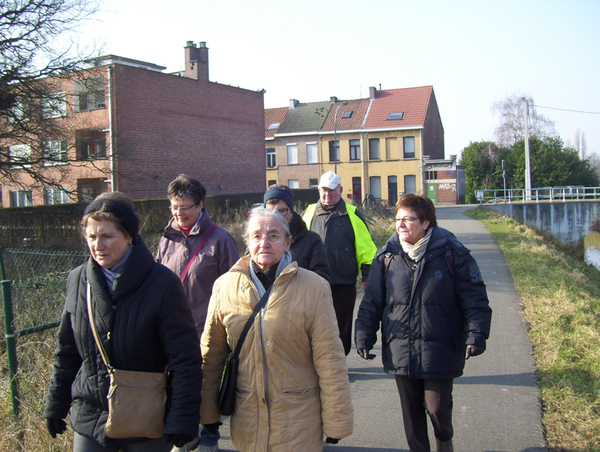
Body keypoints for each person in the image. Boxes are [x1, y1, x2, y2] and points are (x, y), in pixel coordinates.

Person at [44, 192, 203, 452]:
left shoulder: (161, 284)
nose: (98, 245)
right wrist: (55, 404)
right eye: (91, 237)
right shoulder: (77, 280)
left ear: (129, 236)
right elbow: (67, 350)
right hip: (91, 416)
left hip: (145, 416)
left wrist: (182, 419)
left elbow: (184, 359)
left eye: (107, 236)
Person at [200, 207, 354, 452]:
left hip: (298, 423)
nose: (264, 242)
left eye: (273, 235)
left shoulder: (314, 288)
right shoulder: (224, 286)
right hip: (247, 420)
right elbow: (211, 357)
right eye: (257, 236)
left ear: (287, 242)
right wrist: (207, 413)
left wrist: (337, 420)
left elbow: (330, 359)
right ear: (247, 242)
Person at [354, 193, 492, 452]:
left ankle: (444, 439)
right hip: (400, 348)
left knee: (437, 409)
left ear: (426, 222)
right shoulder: (386, 258)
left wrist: (477, 334)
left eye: (408, 219)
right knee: (411, 416)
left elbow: (475, 297)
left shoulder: (453, 253)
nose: (400, 225)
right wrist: (364, 336)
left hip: (441, 347)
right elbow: (371, 302)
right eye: (398, 219)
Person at [156, 174, 238, 452]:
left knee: (206, 385)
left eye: (186, 207)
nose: (180, 213)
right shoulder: (167, 239)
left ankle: (210, 433)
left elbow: (234, 288)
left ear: (200, 205)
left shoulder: (220, 239)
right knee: (174, 385)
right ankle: (184, 434)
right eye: (174, 207)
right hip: (172, 330)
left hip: (207, 330)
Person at [302, 171, 377, 355]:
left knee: (341, 325)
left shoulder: (352, 214)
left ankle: (340, 363)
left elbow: (366, 250)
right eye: (323, 191)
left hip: (344, 283)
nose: (327, 195)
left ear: (341, 190)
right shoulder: (309, 212)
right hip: (314, 282)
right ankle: (317, 362)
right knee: (315, 324)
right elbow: (299, 245)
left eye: (332, 191)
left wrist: (367, 276)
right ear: (318, 190)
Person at [263, 184, 330, 281]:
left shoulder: (311, 241)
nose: (276, 216)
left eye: (281, 211)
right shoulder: (258, 241)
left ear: (291, 210)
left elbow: (321, 279)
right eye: (270, 212)